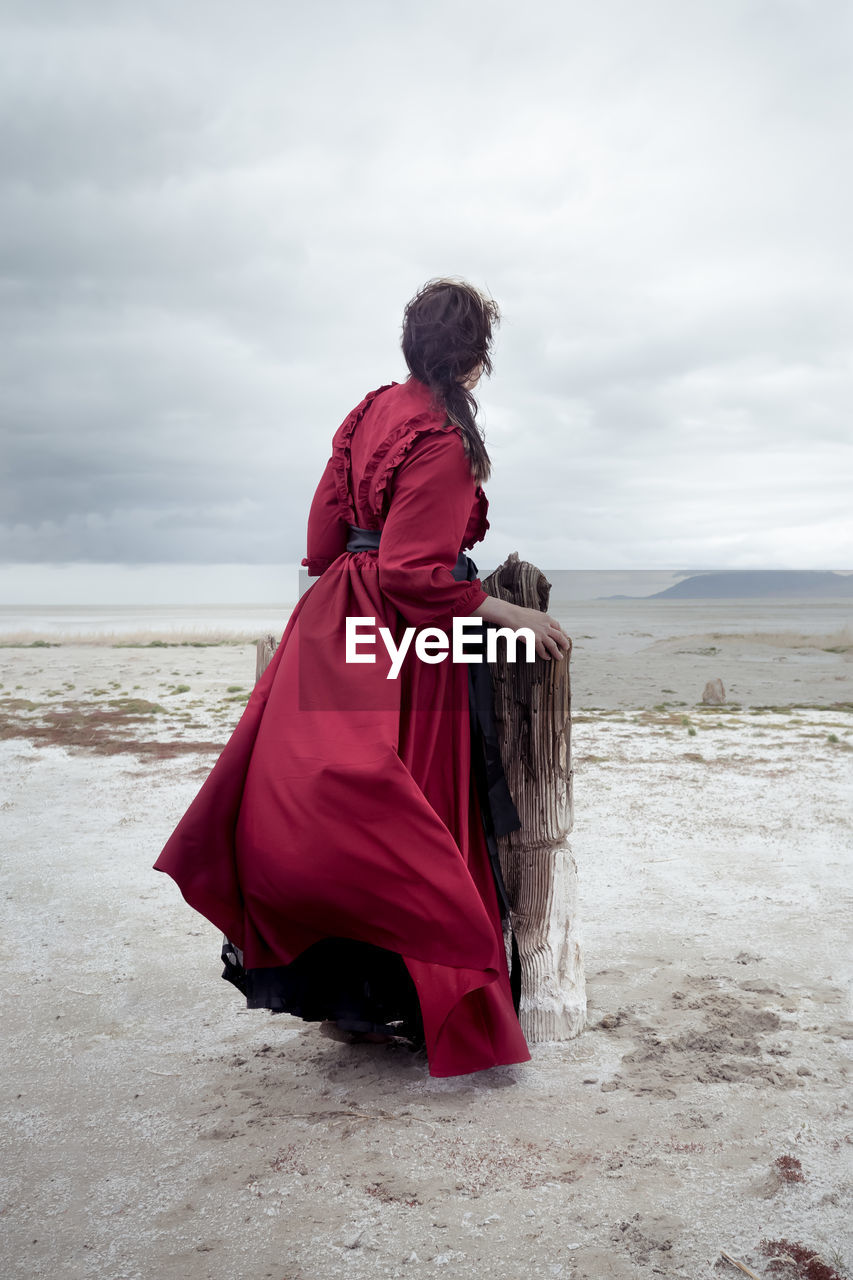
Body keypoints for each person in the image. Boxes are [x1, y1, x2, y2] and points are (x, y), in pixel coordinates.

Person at [154, 278, 570, 1077]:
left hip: (334, 616)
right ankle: (410, 1000)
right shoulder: (444, 440)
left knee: (323, 802)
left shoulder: (370, 409)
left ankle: (349, 1005)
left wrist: (355, 569)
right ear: (476, 359)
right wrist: (506, 613)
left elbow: (321, 536)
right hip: (401, 636)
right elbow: (415, 573)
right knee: (407, 811)